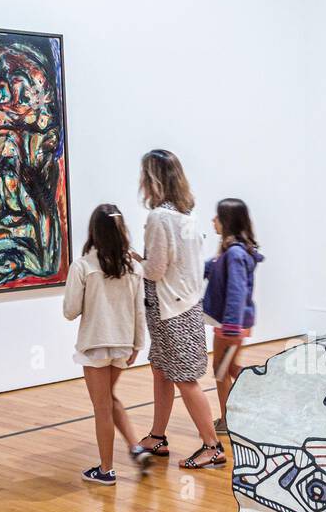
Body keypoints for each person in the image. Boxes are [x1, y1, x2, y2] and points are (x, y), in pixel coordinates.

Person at [134, 150, 225, 469]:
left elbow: (156, 269)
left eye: (144, 175)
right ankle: (157, 436)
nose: (141, 181)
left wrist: (133, 260)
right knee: (161, 372)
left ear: (153, 179)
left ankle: (212, 447)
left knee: (184, 379)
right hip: (182, 307)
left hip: (170, 311)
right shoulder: (188, 216)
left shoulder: (159, 217)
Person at [63, 204, 151, 484]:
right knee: (109, 399)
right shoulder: (134, 266)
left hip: (94, 345)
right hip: (123, 344)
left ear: (94, 231)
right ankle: (136, 447)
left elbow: (69, 311)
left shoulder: (83, 266)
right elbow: (140, 310)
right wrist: (138, 344)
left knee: (102, 406)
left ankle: (106, 470)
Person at [203, 198, 264, 433]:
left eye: (217, 217)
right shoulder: (230, 252)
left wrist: (230, 324)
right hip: (234, 322)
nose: (213, 221)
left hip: (230, 324)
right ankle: (258, 392)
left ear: (227, 221)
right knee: (229, 368)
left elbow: (237, 291)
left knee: (220, 369)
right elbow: (207, 269)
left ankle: (229, 420)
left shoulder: (235, 254)